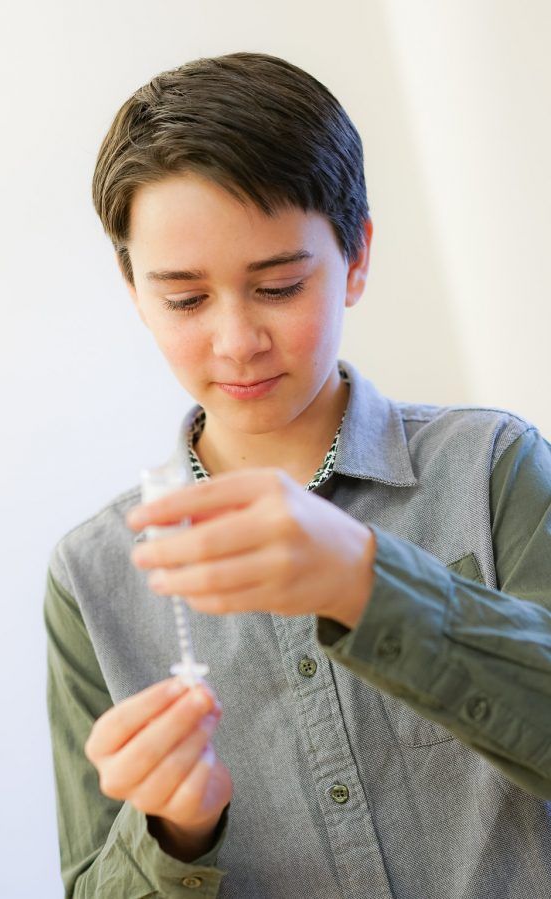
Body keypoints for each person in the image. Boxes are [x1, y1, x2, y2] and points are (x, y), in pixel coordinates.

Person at [43, 51, 551, 899]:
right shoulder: (91, 578)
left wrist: (367, 583)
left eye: (277, 285)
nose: (237, 341)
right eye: (186, 299)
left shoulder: (494, 467)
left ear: (356, 259)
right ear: (135, 290)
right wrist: (174, 833)